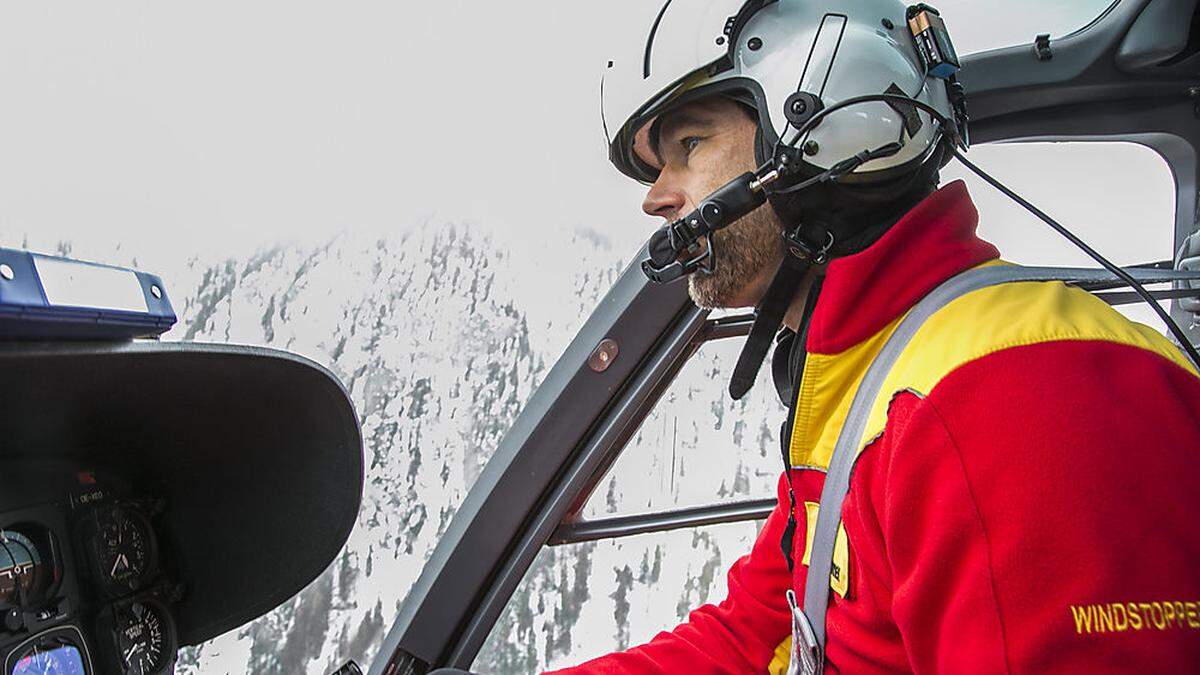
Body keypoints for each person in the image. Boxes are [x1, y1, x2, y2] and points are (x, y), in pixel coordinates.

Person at [548, 0, 1200, 672]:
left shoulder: (1009, 400)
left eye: (688, 147)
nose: (656, 198)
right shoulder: (868, 381)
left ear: (820, 129)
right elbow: (751, 639)